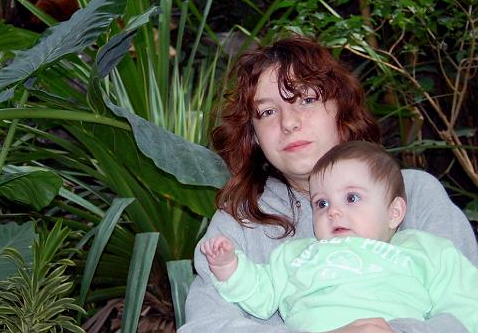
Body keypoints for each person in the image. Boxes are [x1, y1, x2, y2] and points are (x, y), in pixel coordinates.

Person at [178, 35, 478, 333]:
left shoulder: (413, 194)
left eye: (307, 99)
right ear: (254, 136)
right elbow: (203, 326)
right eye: (268, 112)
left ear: (341, 109)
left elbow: (467, 309)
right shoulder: (240, 222)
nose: (289, 122)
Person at [200, 141, 478, 332]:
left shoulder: (424, 251)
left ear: (394, 213)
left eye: (352, 197)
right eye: (321, 203)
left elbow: (466, 306)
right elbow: (262, 293)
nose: (333, 212)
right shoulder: (297, 254)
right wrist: (230, 267)